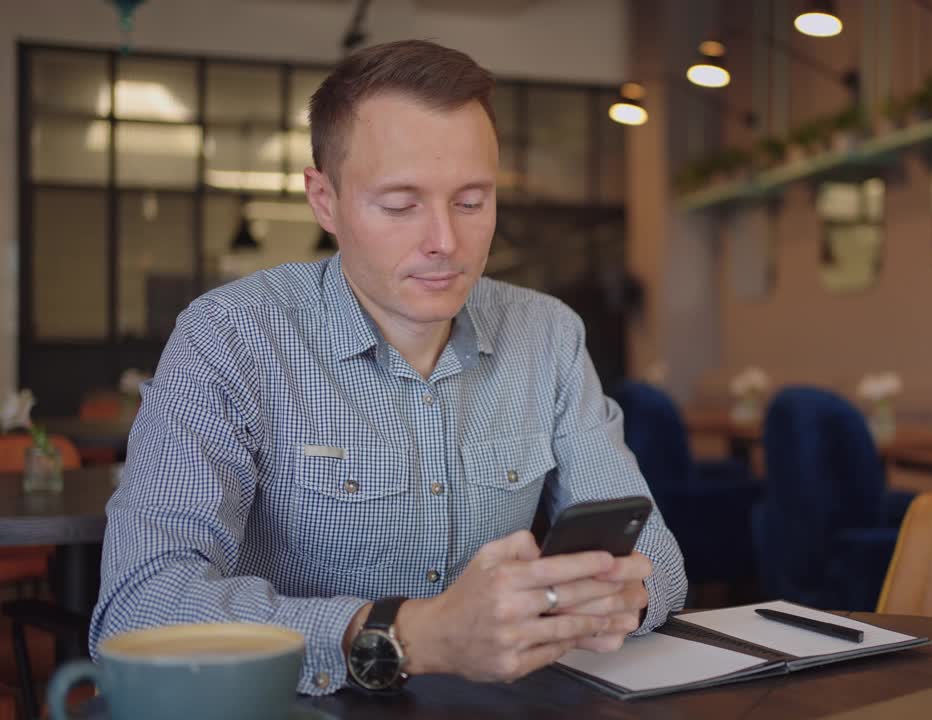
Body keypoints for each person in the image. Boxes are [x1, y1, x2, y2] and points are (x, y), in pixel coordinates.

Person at [89, 39, 687, 696]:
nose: (445, 241)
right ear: (325, 201)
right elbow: (140, 607)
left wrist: (599, 601)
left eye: (471, 201)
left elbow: (655, 555)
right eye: (400, 204)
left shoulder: (547, 334)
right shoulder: (232, 337)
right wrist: (410, 637)